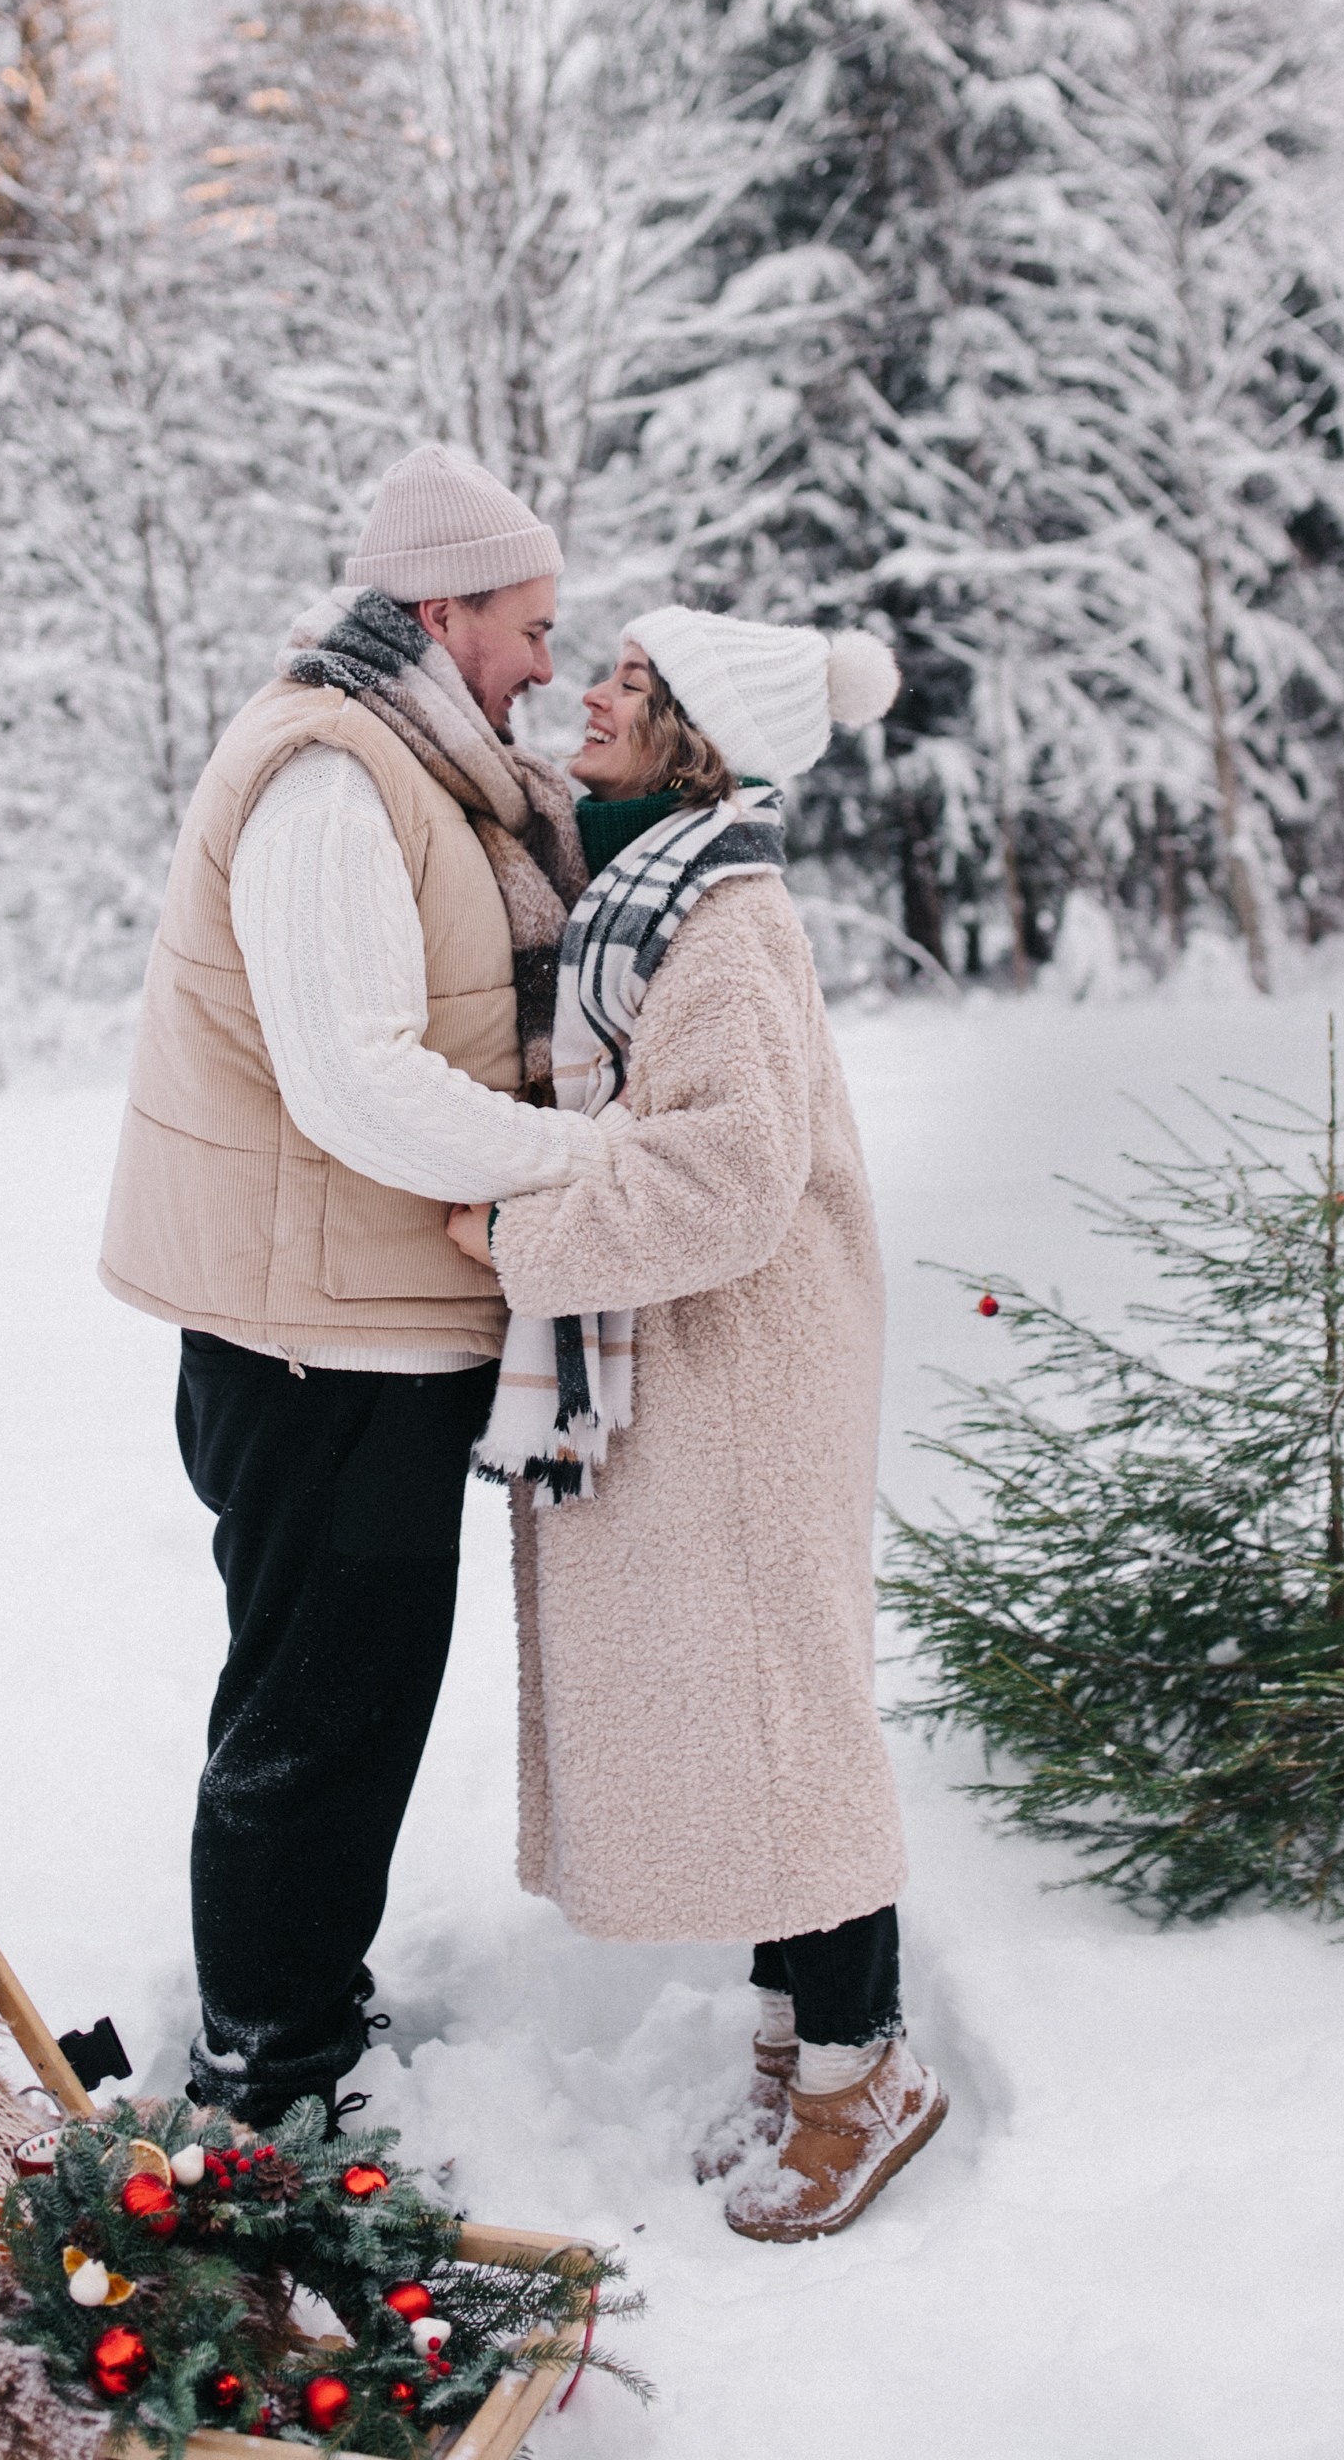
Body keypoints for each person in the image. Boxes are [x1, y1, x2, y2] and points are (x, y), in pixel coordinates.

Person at [98, 444, 616, 2135]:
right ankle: (268, 2068)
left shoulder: (418, 766)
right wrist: (593, 1171)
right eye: (530, 627)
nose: (551, 662)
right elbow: (358, 1084)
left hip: (360, 1322)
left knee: (349, 1696)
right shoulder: (333, 782)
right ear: (440, 609)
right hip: (317, 1340)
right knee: (317, 1712)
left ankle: (298, 2008)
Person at [446, 606, 946, 2242]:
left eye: (635, 687)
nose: (591, 690)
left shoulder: (722, 923)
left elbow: (726, 1176)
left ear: (699, 743)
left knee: (788, 1721)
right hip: (708, 1362)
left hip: (749, 1361)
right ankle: (802, 2043)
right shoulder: (647, 895)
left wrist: (527, 1237)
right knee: (757, 1722)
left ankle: (864, 2074)